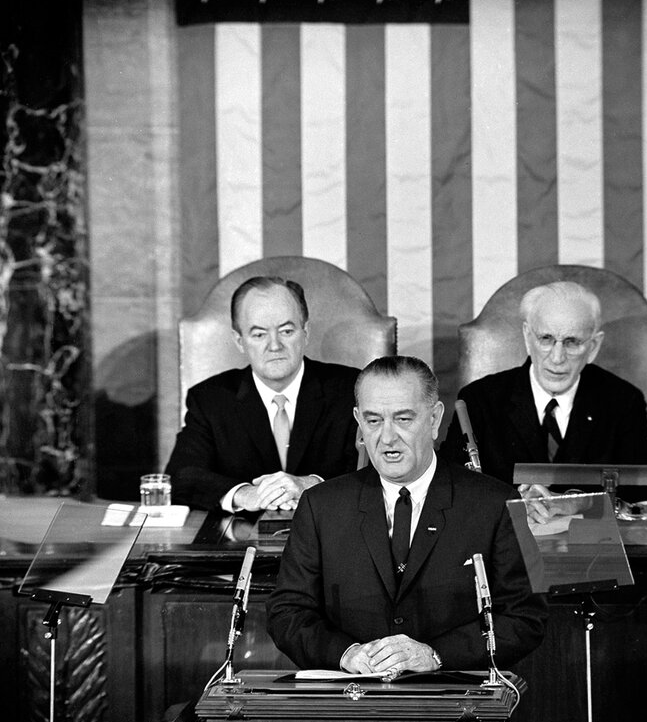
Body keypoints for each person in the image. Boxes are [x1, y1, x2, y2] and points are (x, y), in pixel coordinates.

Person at [266, 356, 547, 674]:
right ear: (358, 420)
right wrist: (346, 655)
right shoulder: (320, 507)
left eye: (403, 419)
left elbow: (526, 617)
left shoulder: (498, 504)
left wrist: (435, 655)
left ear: (434, 419)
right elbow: (287, 612)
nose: (387, 438)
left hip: (456, 706)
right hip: (349, 707)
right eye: (373, 421)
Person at [439, 280, 647, 515]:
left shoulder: (623, 401)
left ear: (593, 346)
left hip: (590, 543)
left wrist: (575, 501)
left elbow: (641, 492)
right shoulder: (479, 399)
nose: (557, 357)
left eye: (572, 342)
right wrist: (513, 501)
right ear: (527, 336)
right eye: (546, 339)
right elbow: (452, 483)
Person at [165, 276, 360, 512]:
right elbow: (182, 476)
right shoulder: (210, 399)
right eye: (259, 334)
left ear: (305, 332)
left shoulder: (351, 389)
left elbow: (379, 470)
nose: (275, 345)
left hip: (333, 538)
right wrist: (245, 494)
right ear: (239, 341)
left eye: (287, 331)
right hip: (240, 542)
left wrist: (310, 484)